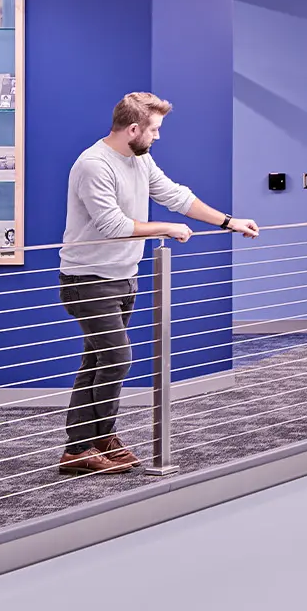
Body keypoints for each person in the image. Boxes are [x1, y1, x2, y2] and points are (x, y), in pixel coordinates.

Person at [55, 91, 257, 477]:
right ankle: (82, 446)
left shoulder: (139, 159)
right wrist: (166, 229)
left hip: (122, 277)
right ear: (133, 128)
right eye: (155, 129)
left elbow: (175, 196)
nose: (158, 137)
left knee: (98, 359)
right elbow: (112, 225)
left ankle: (94, 440)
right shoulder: (94, 165)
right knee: (116, 357)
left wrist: (229, 222)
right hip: (87, 279)